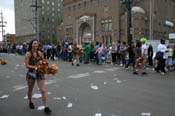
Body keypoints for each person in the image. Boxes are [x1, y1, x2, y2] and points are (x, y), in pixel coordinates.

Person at [25, 39, 52, 114]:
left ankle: (46, 107)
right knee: (30, 90)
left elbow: (43, 61)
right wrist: (35, 67)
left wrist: (46, 64)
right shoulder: (28, 54)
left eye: (37, 43)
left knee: (43, 90)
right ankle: (30, 102)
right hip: (31, 74)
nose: (36, 45)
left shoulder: (40, 53)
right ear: (31, 45)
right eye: (34, 43)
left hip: (40, 73)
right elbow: (27, 65)